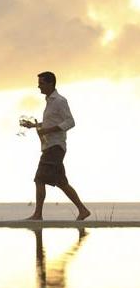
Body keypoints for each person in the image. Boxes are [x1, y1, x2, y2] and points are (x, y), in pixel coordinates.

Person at [22, 72, 90, 221]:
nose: (38, 86)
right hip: (50, 146)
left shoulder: (60, 101)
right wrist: (33, 125)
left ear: (50, 84)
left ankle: (37, 215)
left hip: (55, 147)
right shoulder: (49, 102)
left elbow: (70, 122)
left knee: (39, 179)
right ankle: (83, 210)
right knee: (61, 183)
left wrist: (48, 130)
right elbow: (50, 123)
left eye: (41, 83)